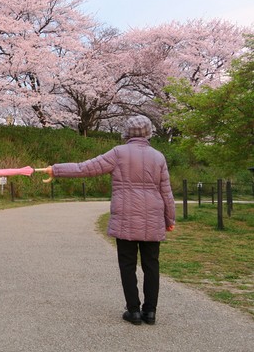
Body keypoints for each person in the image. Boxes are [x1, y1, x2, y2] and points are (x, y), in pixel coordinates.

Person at [39, 115, 175, 325]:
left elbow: (85, 168)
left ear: (127, 132)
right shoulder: (158, 157)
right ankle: (150, 312)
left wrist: (55, 169)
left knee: (127, 265)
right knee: (151, 265)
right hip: (153, 217)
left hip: (125, 218)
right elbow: (166, 192)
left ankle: (133, 311)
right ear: (149, 132)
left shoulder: (118, 153)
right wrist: (170, 219)